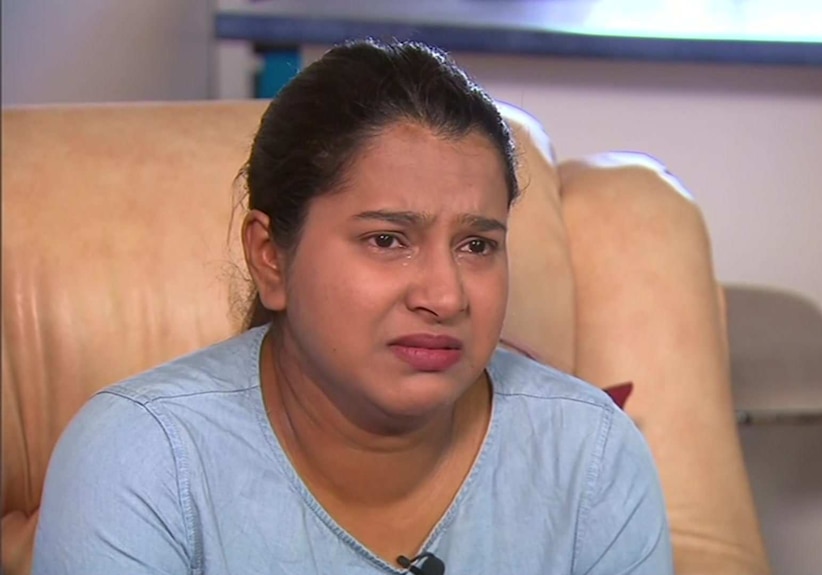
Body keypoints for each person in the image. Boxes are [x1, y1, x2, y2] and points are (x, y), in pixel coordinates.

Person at [32, 39, 672, 574]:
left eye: (477, 244)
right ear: (270, 257)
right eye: (387, 240)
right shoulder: (144, 460)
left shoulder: (589, 456)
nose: (445, 296)